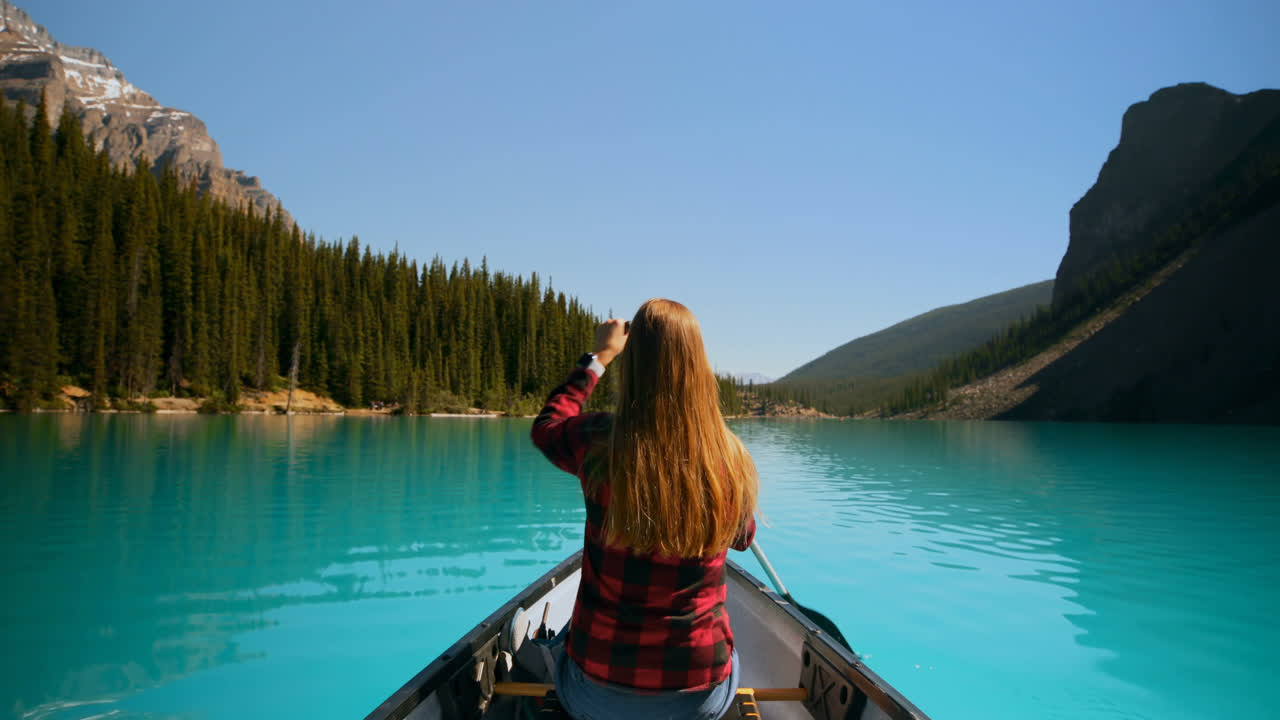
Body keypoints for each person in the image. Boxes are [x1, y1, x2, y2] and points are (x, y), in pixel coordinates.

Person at [530, 298, 759, 720]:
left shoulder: (598, 441)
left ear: (633, 366)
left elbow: (547, 428)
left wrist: (599, 357)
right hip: (699, 699)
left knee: (562, 643)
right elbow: (743, 538)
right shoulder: (729, 460)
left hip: (595, 694)